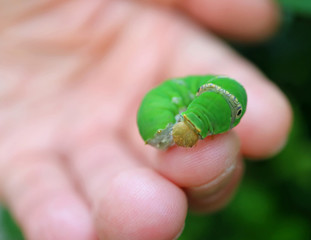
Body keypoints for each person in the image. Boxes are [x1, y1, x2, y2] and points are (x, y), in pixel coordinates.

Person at [0, 0, 292, 239]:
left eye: (203, 124)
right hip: (154, 120)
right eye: (200, 121)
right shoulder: (182, 101)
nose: (194, 131)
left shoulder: (192, 97)